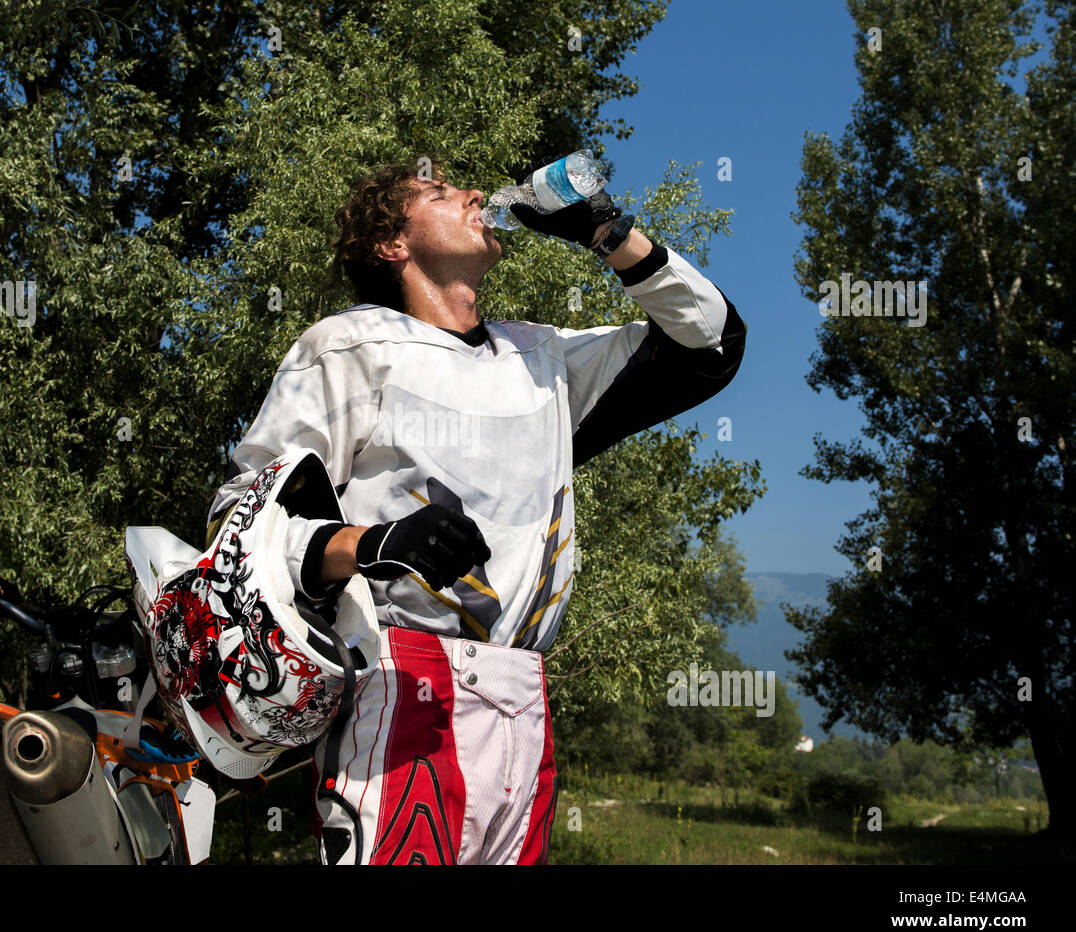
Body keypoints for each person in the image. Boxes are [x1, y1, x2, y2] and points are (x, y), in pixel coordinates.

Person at [204, 157, 747, 864]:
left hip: (525, 697)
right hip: (401, 688)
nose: (470, 193)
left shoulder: (543, 358)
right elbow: (238, 522)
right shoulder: (345, 346)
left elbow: (711, 343)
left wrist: (609, 232)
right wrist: (372, 542)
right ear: (391, 245)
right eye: (436, 192)